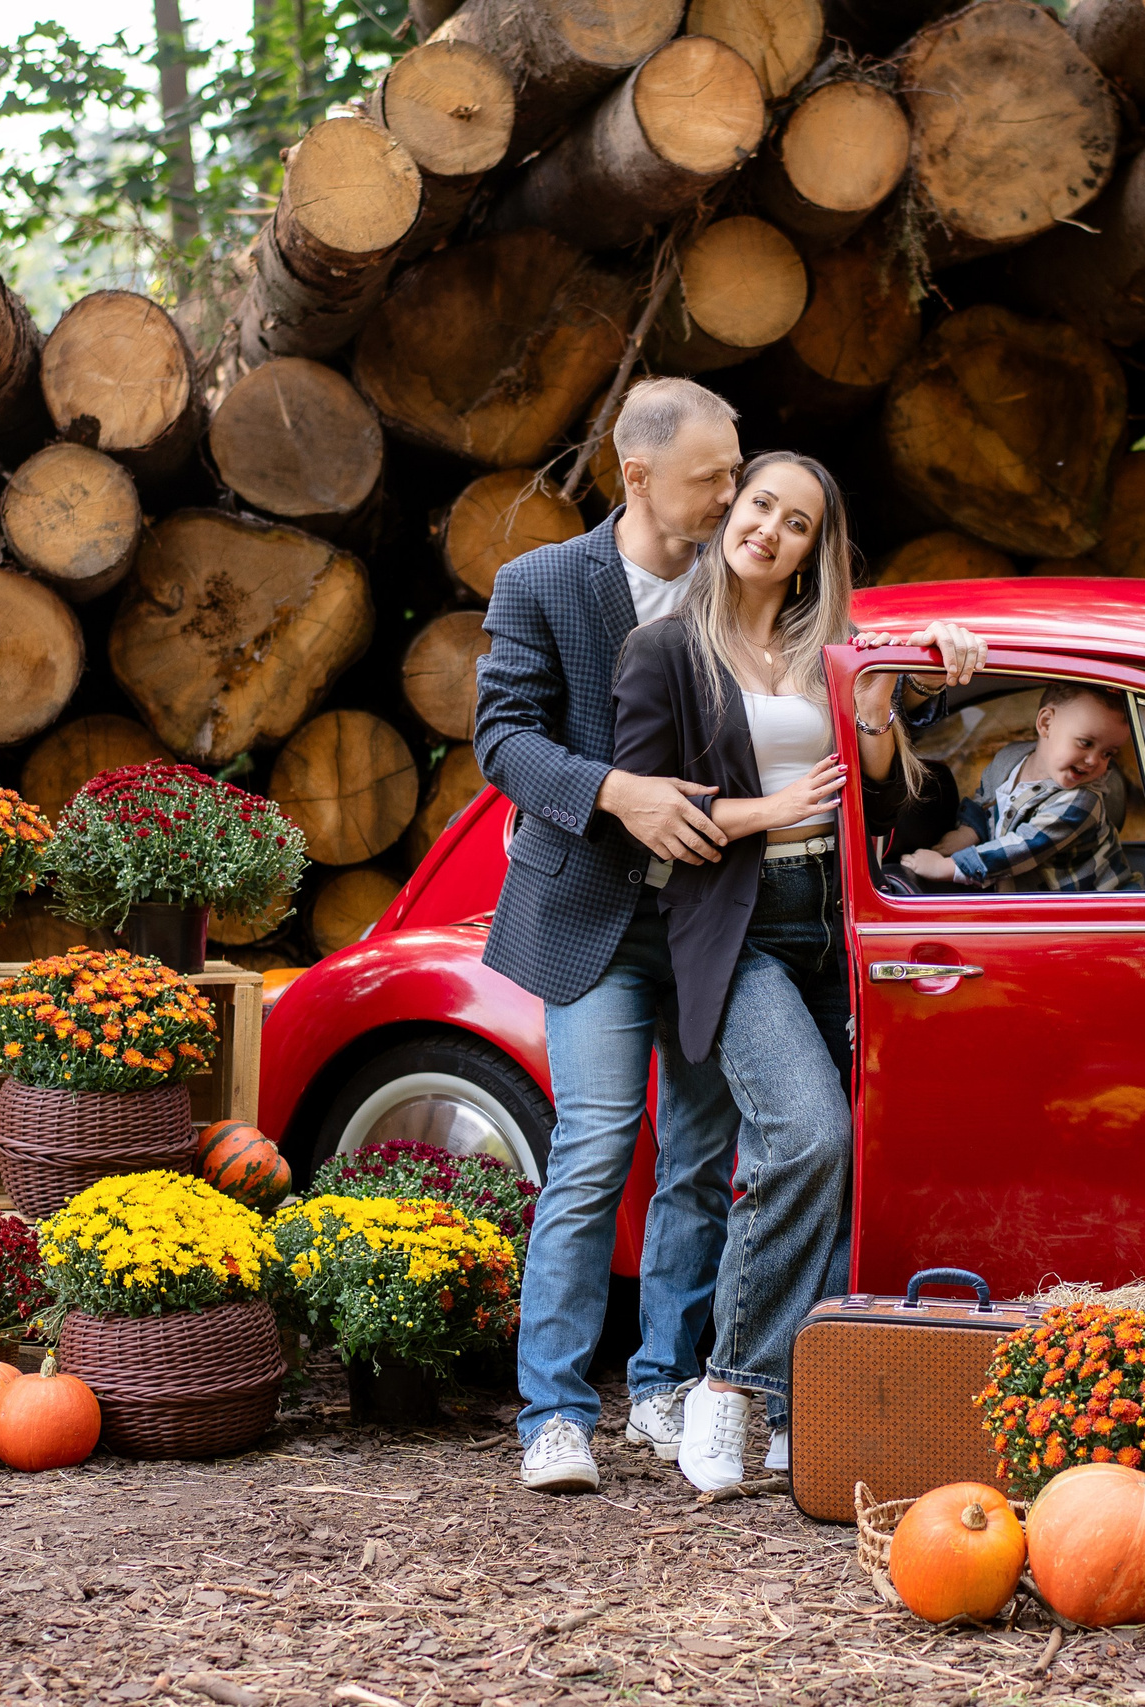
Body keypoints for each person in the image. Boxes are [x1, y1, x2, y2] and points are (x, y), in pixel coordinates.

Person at [611, 452, 985, 1491]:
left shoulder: (829, 645)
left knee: (849, 1149)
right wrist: (765, 815)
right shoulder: (662, 652)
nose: (770, 529)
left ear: (817, 549)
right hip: (733, 924)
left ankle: (790, 1403)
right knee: (805, 1132)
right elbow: (646, 816)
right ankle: (728, 1387)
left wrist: (902, 671)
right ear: (730, 510)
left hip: (838, 918)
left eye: (799, 522)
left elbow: (886, 787)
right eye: (760, 505)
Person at [473, 378, 752, 1495]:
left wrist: (945, 644)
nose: (734, 495)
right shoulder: (541, 583)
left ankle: (660, 1388)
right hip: (586, 910)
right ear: (636, 477)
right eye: (712, 477)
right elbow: (503, 739)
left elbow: (838, 650)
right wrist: (617, 795)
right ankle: (552, 1412)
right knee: (594, 1149)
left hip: (706, 919)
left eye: (737, 471)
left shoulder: (747, 583)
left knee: (698, 1159)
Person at [899, 682, 1135, 893]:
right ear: (1046, 723)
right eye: (1086, 743)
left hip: (1096, 914)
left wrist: (946, 867)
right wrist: (968, 833)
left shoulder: (1081, 801)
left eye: (1107, 753)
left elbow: (1022, 848)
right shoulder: (1008, 758)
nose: (1094, 760)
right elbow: (984, 800)